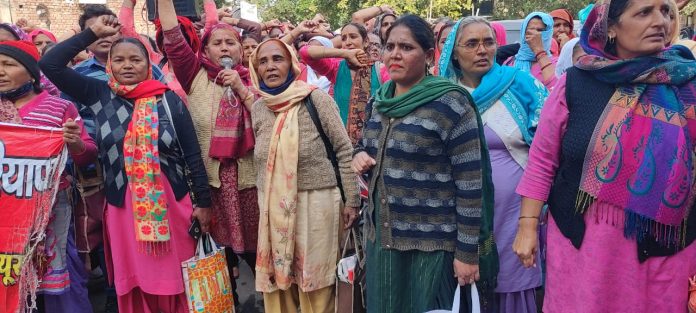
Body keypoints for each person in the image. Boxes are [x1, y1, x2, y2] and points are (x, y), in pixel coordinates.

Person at [513, 1, 696, 312]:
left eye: (666, 12)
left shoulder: (687, 84)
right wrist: (527, 225)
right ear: (610, 27)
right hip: (585, 248)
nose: (660, 21)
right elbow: (543, 161)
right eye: (644, 12)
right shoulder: (576, 83)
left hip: (667, 249)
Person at [40, 15, 212, 312]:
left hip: (172, 203)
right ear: (109, 65)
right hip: (124, 206)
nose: (128, 65)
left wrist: (204, 203)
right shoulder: (99, 95)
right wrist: (90, 33)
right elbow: (50, 64)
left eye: (136, 59)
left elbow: (192, 155)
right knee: (135, 278)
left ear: (149, 66)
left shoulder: (168, 101)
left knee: (179, 275)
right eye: (119, 60)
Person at [352, 14, 496, 313]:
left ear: (429, 55)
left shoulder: (450, 104)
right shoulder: (379, 101)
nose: (394, 54)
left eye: (406, 47)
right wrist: (358, 156)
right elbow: (364, 144)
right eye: (389, 46)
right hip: (384, 245)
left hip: (432, 248)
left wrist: (467, 253)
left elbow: (470, 185)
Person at [438, 16, 548, 312]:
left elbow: (548, 143)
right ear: (454, 52)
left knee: (511, 284)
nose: (482, 50)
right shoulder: (443, 95)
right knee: (465, 284)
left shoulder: (521, 84)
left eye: (488, 42)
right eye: (471, 44)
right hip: (459, 216)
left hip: (515, 212)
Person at [249, 38, 360, 313]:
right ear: (255, 69)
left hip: (317, 205)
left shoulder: (316, 99)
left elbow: (344, 151)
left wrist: (352, 201)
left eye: (278, 59)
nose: (271, 66)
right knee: (279, 282)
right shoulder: (259, 107)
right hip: (273, 209)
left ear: (291, 64)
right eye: (263, 61)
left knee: (315, 282)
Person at [159, 0, 260, 286]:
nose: (225, 48)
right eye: (217, 43)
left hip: (251, 181)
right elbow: (174, 39)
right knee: (219, 253)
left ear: (242, 51)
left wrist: (241, 88)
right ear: (205, 50)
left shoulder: (256, 78)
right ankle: (227, 301)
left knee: (258, 251)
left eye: (231, 43)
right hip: (212, 183)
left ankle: (270, 298)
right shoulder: (194, 76)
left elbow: (268, 122)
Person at [0, 40, 97, 313]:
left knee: (62, 280)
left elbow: (87, 154)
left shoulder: (59, 108)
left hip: (50, 213)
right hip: (5, 216)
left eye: (8, 65)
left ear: (31, 73)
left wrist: (75, 142)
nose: (1, 72)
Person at [299, 22, 388, 144]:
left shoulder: (381, 70)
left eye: (353, 36)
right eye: (344, 38)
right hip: (341, 146)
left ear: (366, 41)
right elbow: (305, 52)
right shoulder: (336, 68)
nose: (348, 42)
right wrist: (344, 53)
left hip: (373, 144)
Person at [505, 12, 558, 89]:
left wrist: (539, 51)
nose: (535, 35)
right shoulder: (510, 62)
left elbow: (555, 90)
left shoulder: (556, 64)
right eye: (531, 30)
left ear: (548, 33)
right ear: (523, 33)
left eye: (540, 30)